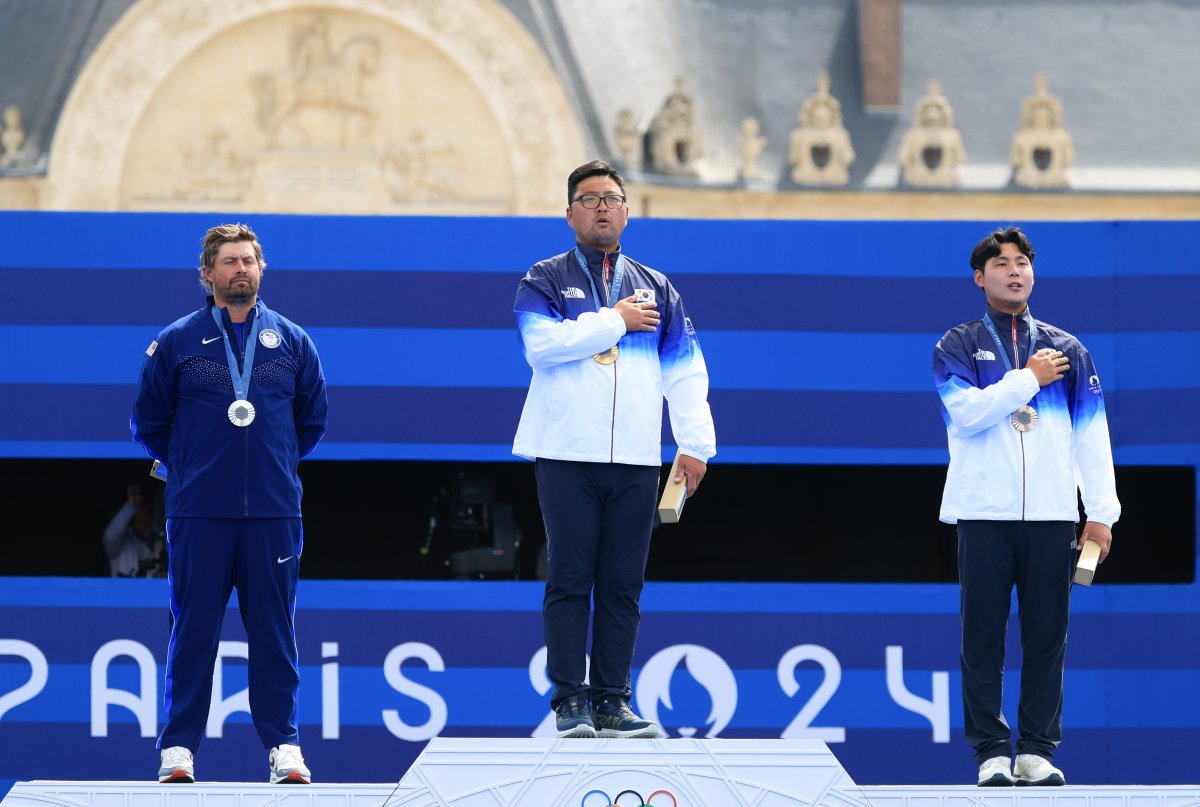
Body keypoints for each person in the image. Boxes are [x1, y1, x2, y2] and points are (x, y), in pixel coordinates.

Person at [513, 160, 716, 738]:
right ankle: (570, 701)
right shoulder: (545, 278)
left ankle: (612, 700)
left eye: (612, 197)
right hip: (565, 452)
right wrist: (615, 322)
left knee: (623, 583)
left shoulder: (659, 287)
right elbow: (541, 348)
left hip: (634, 456)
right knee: (571, 577)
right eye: (589, 198)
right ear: (570, 212)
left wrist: (695, 445)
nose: (602, 206)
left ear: (627, 209)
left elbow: (687, 372)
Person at [131, 223, 328, 784]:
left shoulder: (292, 341)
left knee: (275, 631)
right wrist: (193, 466)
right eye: (230, 262)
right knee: (193, 629)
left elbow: (311, 422)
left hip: (272, 510)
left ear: (261, 269)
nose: (241, 269)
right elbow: (147, 421)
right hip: (198, 511)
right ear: (208, 274)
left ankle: (284, 747)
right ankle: (179, 749)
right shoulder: (177, 340)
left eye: (249, 261)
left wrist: (274, 462)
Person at [933, 226, 1119, 787]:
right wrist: (1027, 380)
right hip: (983, 512)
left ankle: (1037, 750)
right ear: (980, 277)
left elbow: (1093, 435)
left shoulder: (1069, 349)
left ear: (1032, 273)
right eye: (1001, 264)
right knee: (981, 636)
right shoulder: (958, 345)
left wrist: (1102, 511)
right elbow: (965, 414)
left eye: (1022, 263)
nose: (1014, 271)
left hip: (1052, 513)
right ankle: (991, 751)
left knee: (1046, 636)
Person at [101, 483, 163, 577]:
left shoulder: (164, 539)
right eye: (141, 505)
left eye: (147, 504)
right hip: (125, 591)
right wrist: (131, 505)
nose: (145, 509)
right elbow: (110, 536)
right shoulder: (120, 545)